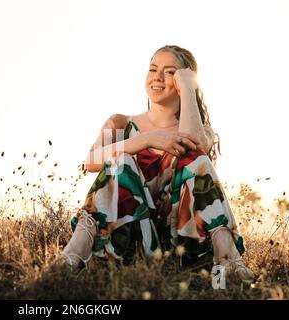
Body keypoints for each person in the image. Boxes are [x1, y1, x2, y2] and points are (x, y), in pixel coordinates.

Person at [59, 45, 254, 282]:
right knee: (120, 160)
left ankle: (227, 264)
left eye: (170, 72)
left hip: (179, 245)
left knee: (197, 160)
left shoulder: (202, 131)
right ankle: (72, 256)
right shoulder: (121, 123)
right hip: (132, 237)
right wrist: (145, 140)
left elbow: (195, 146)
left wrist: (188, 87)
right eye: (153, 69)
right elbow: (91, 161)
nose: (158, 77)